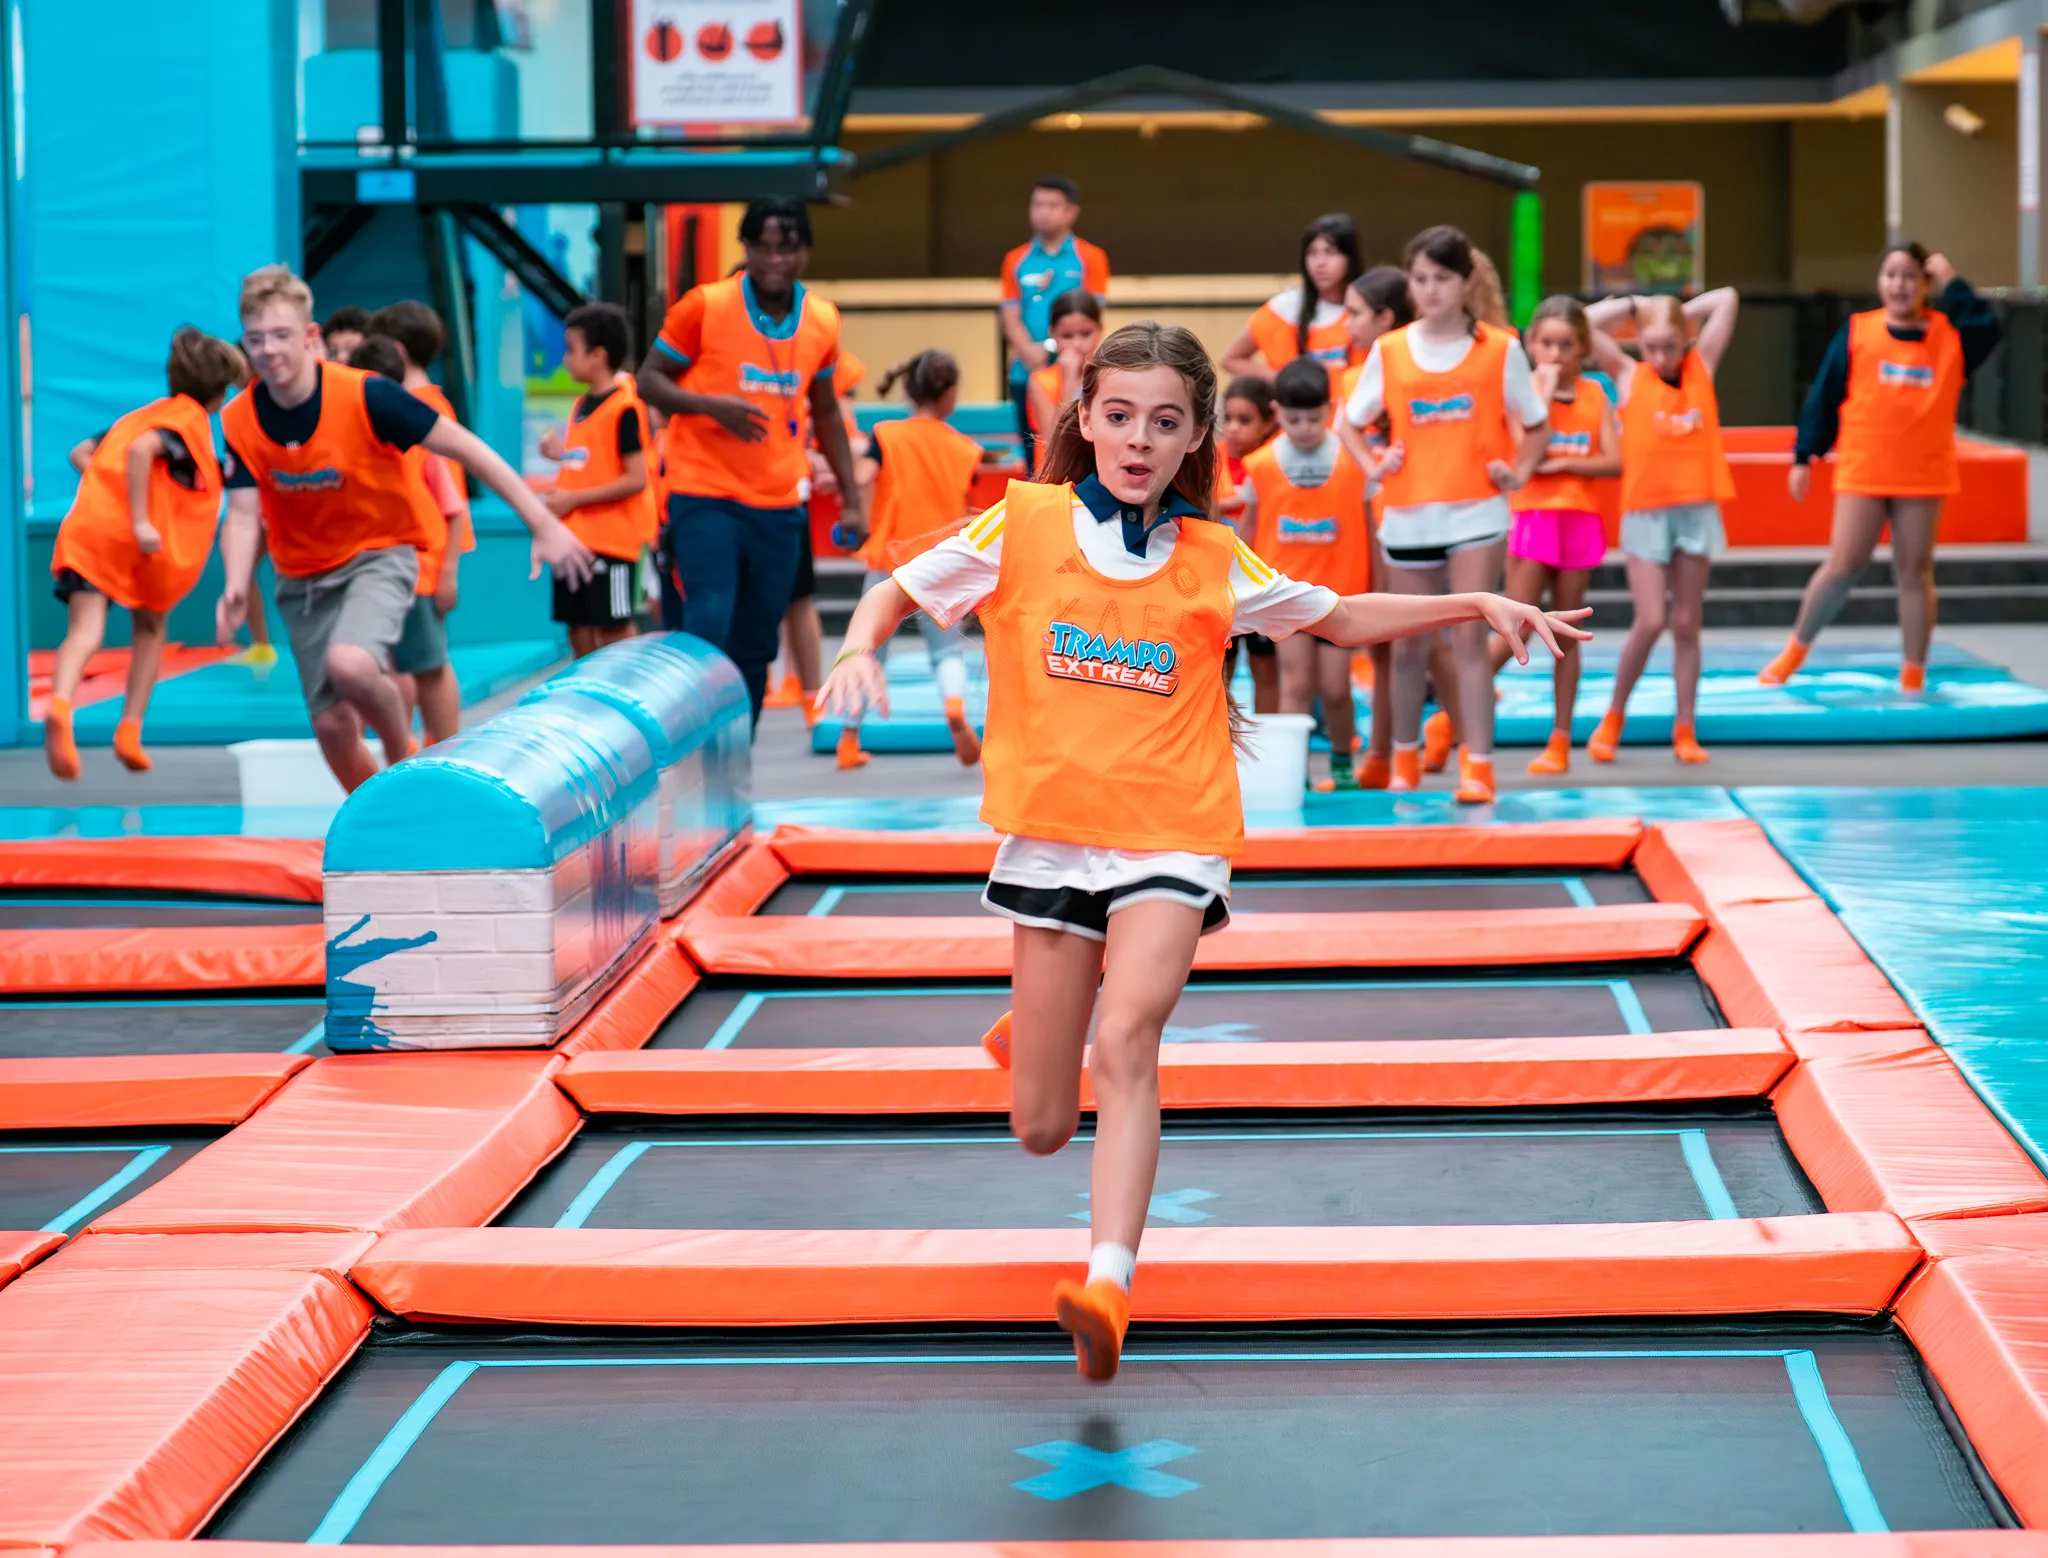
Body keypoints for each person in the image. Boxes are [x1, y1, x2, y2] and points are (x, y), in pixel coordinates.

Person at [817, 321, 1586, 1383]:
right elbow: (894, 585)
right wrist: (858, 648)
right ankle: (1038, 1026)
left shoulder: (1213, 558)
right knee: (1040, 1123)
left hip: (1173, 833)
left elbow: (1343, 617)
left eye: (1164, 422)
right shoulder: (1023, 523)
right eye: (1120, 416)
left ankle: (1108, 1283)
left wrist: (1479, 598)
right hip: (1050, 836)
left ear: (1194, 442)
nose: (1138, 438)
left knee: (1127, 1036)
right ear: (1084, 421)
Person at [216, 265, 593, 792]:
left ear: (310, 338)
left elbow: (470, 450)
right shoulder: (240, 419)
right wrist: (236, 582)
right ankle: (380, 816)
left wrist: (542, 521)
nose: (269, 350)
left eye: (281, 336)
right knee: (330, 724)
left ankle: (401, 753)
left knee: (351, 665)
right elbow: (239, 512)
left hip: (379, 553)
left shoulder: (367, 396)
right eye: (255, 340)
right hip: (302, 574)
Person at [1339, 225, 1550, 804]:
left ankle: (1477, 765)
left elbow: (1536, 423)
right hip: (1408, 515)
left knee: (1467, 640)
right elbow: (1348, 421)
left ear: (1465, 282)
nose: (1430, 289)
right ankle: (1405, 758)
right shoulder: (1390, 349)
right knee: (1406, 644)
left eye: (1442, 278)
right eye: (1421, 278)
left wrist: (1521, 471)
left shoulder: (1502, 348)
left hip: (1476, 514)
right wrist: (1375, 463)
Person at [637, 197, 864, 726]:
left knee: (758, 645)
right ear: (745, 248)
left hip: (780, 502)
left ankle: (736, 760)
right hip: (704, 493)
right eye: (761, 248)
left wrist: (853, 503)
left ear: (805, 250)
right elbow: (649, 379)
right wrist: (709, 406)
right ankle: (691, 746)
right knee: (708, 622)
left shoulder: (822, 320)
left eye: (787, 248)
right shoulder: (705, 306)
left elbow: (826, 412)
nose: (774, 261)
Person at [1764, 244, 2001, 690]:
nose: (1899, 285)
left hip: (1922, 474)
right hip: (1864, 469)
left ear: (1926, 284)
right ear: (1879, 282)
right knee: (1842, 565)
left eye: (1910, 276)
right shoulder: (1858, 332)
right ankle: (1794, 650)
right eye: (1891, 275)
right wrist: (1804, 454)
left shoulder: (1951, 337)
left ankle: (1913, 671)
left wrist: (1954, 282)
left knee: (1914, 573)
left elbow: (1987, 327)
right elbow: (1825, 394)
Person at [44, 328, 249, 779]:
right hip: (138, 541)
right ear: (217, 395)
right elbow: (143, 451)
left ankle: (61, 702)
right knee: (151, 627)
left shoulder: (139, 416)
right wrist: (138, 518)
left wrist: (108, 493)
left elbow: (82, 453)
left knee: (86, 629)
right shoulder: (188, 422)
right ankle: (130, 728)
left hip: (90, 533)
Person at [1583, 286, 1741, 765]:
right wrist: (1638, 308)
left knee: (1685, 623)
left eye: (1670, 345)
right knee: (1650, 620)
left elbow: (1728, 298)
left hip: (1694, 510)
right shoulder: (1630, 375)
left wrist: (1675, 313)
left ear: (1686, 340)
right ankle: (1613, 715)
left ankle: (1685, 727)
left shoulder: (1702, 367)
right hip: (1646, 513)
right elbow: (1584, 322)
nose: (1660, 356)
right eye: (1650, 346)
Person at [836, 350, 986, 770]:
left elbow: (863, 474)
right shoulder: (964, 449)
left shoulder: (886, 436)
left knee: (867, 648)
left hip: (891, 558)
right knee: (947, 652)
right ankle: (955, 707)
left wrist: (845, 487)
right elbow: (965, 503)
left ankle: (849, 739)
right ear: (950, 395)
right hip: (943, 561)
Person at [1495, 296, 1621, 775]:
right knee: (1514, 626)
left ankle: (1561, 738)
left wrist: (1566, 464)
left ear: (1583, 348)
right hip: (1533, 518)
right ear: (1531, 345)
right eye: (1546, 343)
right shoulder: (1524, 391)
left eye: (1566, 345)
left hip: (1580, 520)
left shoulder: (1594, 395)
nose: (1555, 353)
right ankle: (1454, 719)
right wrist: (1541, 392)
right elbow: (1524, 445)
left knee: (1567, 632)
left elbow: (1615, 460)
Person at [1241, 357, 1375, 790]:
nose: (1303, 427)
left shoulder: (1354, 460)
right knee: (1295, 686)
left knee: (1336, 689)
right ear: (1277, 411)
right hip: (1286, 594)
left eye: (1313, 418)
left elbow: (1372, 525)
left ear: (1330, 409)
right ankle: (1291, 770)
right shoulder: (1261, 465)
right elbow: (1248, 528)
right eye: (1293, 418)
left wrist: (1380, 582)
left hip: (1341, 594)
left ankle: (1341, 759)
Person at [365, 301, 476, 745]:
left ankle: (444, 742)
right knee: (406, 663)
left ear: (395, 349)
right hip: (404, 563)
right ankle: (420, 744)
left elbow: (453, 501)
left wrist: (448, 570)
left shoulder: (427, 413)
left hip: (425, 565)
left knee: (430, 664)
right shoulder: (414, 408)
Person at [1339, 265, 1423, 788]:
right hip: (1365, 516)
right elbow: (1343, 437)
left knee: (1418, 639)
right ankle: (1384, 753)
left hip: (1405, 516)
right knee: (1389, 642)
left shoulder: (1401, 367)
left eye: (1354, 313)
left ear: (1385, 318)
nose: (1345, 323)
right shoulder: (1358, 374)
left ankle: (1424, 743)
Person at [537, 302, 657, 659]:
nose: (565, 359)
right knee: (577, 626)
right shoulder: (581, 404)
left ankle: (623, 695)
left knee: (613, 626)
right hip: (574, 541)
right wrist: (562, 456)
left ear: (598, 355)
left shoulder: (625, 408)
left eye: (571, 350)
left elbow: (636, 478)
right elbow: (593, 461)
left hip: (610, 542)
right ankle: (585, 701)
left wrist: (573, 500)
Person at [999, 176, 1111, 471]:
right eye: (1037, 204)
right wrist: (1031, 353)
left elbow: (1093, 316)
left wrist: (1059, 349)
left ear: (1070, 212)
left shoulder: (1091, 257)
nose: (1042, 211)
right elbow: (1010, 315)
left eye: (1052, 205)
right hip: (1028, 371)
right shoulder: (1016, 259)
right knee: (1037, 458)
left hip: (1077, 368)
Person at [1223, 214, 1363, 376]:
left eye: (1330, 252)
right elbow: (1231, 359)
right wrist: (1281, 382)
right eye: (1312, 253)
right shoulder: (1286, 306)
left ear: (1350, 258)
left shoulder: (1368, 304)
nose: (1320, 263)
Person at [1218, 375, 1281, 716]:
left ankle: (1269, 753)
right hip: (1221, 583)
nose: (1232, 428)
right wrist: (1229, 503)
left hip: (1261, 580)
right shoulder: (1210, 458)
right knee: (1218, 672)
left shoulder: (1277, 462)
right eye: (1227, 418)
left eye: (1245, 420)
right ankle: (1221, 745)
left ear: (1270, 421)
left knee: (1265, 669)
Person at [1025, 290, 1103, 456]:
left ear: (1099, 329)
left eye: (1086, 333)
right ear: (1053, 333)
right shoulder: (1041, 381)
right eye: (1067, 336)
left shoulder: (1106, 376)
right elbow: (1054, 441)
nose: (1077, 343)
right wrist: (1068, 381)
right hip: (1055, 478)